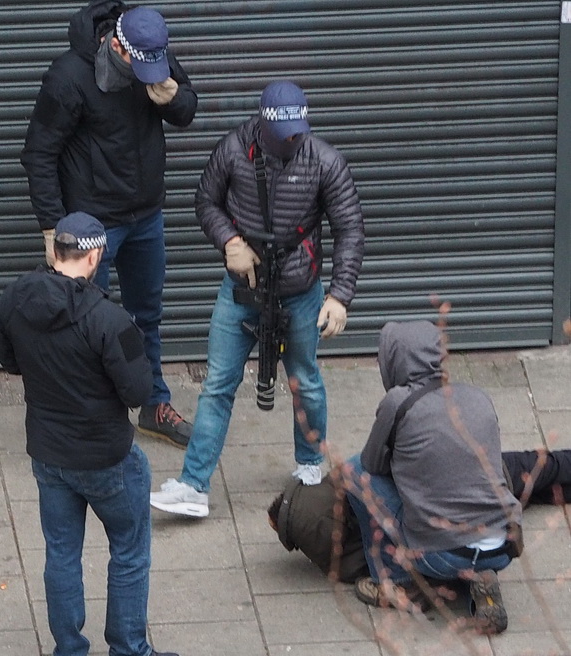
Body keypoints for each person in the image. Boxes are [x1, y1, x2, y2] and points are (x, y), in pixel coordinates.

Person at [149, 80, 365, 518]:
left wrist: (340, 295)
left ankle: (309, 466)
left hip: (301, 291)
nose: (292, 140)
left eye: (298, 132)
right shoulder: (232, 150)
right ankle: (193, 485)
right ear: (262, 125)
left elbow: (349, 228)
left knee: (305, 380)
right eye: (283, 133)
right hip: (241, 289)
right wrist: (228, 239)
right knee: (217, 385)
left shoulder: (324, 160)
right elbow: (205, 201)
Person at [0, 212, 178, 656]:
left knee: (60, 553)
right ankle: (129, 648)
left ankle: (70, 649)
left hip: (48, 456)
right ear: (95, 256)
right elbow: (137, 392)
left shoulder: (11, 300)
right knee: (130, 553)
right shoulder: (110, 320)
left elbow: (9, 360)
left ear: (55, 250)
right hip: (107, 459)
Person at [20, 1, 198, 449]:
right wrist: (50, 226)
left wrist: (174, 96)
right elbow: (39, 154)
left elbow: (188, 109)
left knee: (147, 317)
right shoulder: (68, 77)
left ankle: (154, 406)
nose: (149, 73)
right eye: (141, 65)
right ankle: (84, 416)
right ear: (116, 44)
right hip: (91, 223)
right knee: (78, 323)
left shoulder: (153, 53)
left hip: (146, 216)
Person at [343, 320, 522, 634]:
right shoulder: (477, 396)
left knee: (355, 471)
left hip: (441, 554)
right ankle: (482, 578)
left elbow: (373, 464)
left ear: (397, 359)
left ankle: (396, 583)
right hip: (502, 543)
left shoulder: (398, 402)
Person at [268, 448, 571, 584]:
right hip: (474, 485)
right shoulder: (337, 481)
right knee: (543, 467)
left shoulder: (331, 560)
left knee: (535, 489)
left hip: (441, 543)